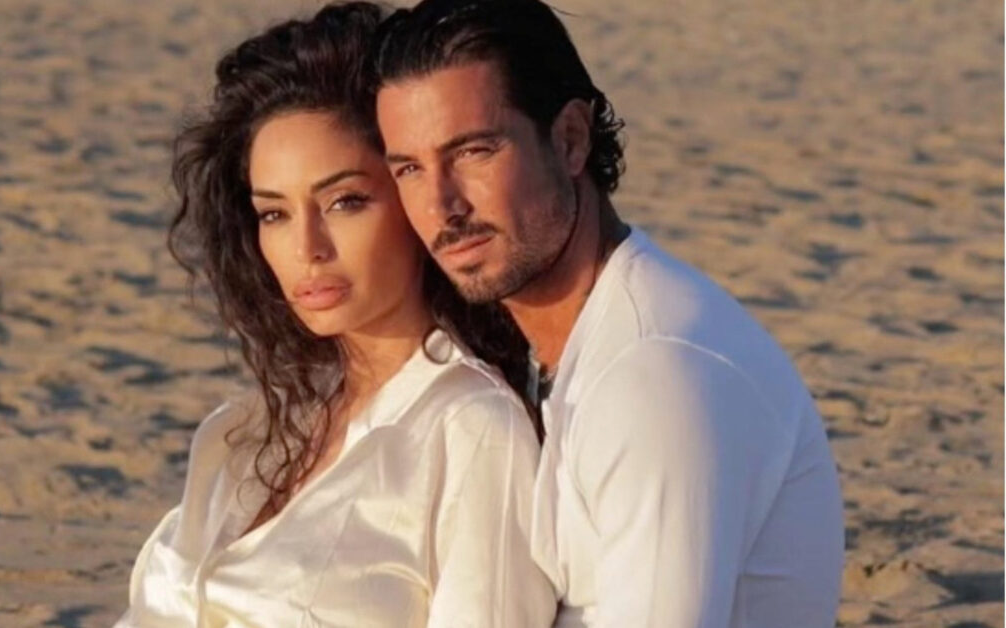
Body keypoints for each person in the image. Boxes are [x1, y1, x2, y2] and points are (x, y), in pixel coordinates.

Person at [373, 0, 845, 626]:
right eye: (409, 168)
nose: (441, 205)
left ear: (570, 139)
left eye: (474, 152)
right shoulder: (568, 344)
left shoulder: (653, 375)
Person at [114, 3, 556, 626]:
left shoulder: (473, 431)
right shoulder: (256, 426)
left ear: (413, 200)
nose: (307, 248)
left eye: (345, 201)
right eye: (274, 213)